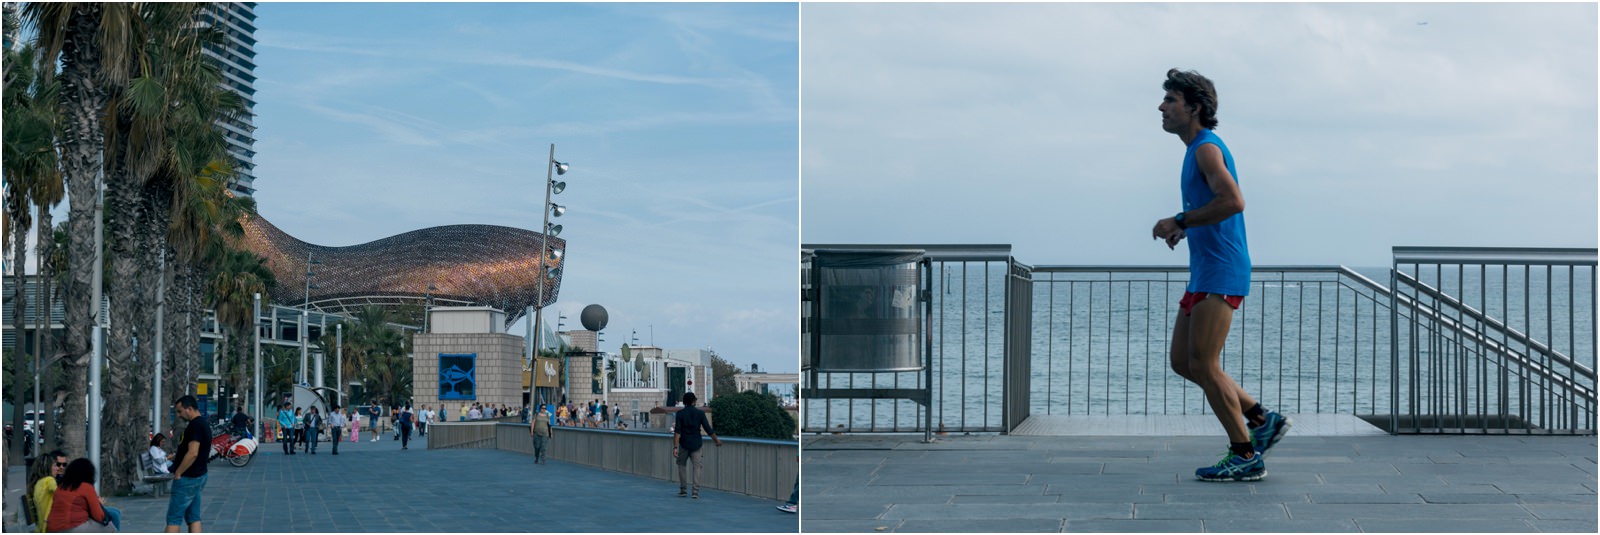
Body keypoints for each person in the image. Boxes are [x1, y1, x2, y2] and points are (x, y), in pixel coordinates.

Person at [1152, 68, 1291, 483]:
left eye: (1171, 100)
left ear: (1194, 107)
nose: (1162, 107)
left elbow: (1233, 201)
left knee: (1205, 364)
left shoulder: (1206, 149)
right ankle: (1260, 417)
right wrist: (1187, 225)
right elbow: (1216, 206)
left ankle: (1245, 453)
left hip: (1222, 270)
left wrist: (1179, 218)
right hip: (1204, 271)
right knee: (1184, 362)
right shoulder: (1193, 148)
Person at [166, 395, 210, 533]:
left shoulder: (195, 426)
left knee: (174, 518)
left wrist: (178, 472)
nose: (178, 415)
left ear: (189, 409)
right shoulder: (203, 423)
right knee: (193, 517)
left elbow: (193, 453)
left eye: (180, 411)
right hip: (199, 475)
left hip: (188, 478)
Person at [46, 458, 121, 532]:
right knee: (110, 527)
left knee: (114, 512)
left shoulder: (60, 487)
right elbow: (99, 516)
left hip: (52, 528)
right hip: (70, 528)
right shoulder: (86, 487)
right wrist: (99, 504)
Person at [671, 392, 722, 499]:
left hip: (684, 443)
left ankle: (683, 490)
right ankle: (695, 492)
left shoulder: (680, 414)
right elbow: (708, 429)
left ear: (684, 402)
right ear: (694, 401)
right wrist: (717, 440)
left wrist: (675, 447)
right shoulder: (700, 414)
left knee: (681, 465)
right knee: (697, 467)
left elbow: (677, 432)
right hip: (696, 443)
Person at [29, 450, 68, 532]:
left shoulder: (38, 483)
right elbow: (62, 496)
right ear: (48, 467)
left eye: (64, 465)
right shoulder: (50, 481)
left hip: (40, 528)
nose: (58, 468)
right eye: (55, 465)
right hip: (49, 527)